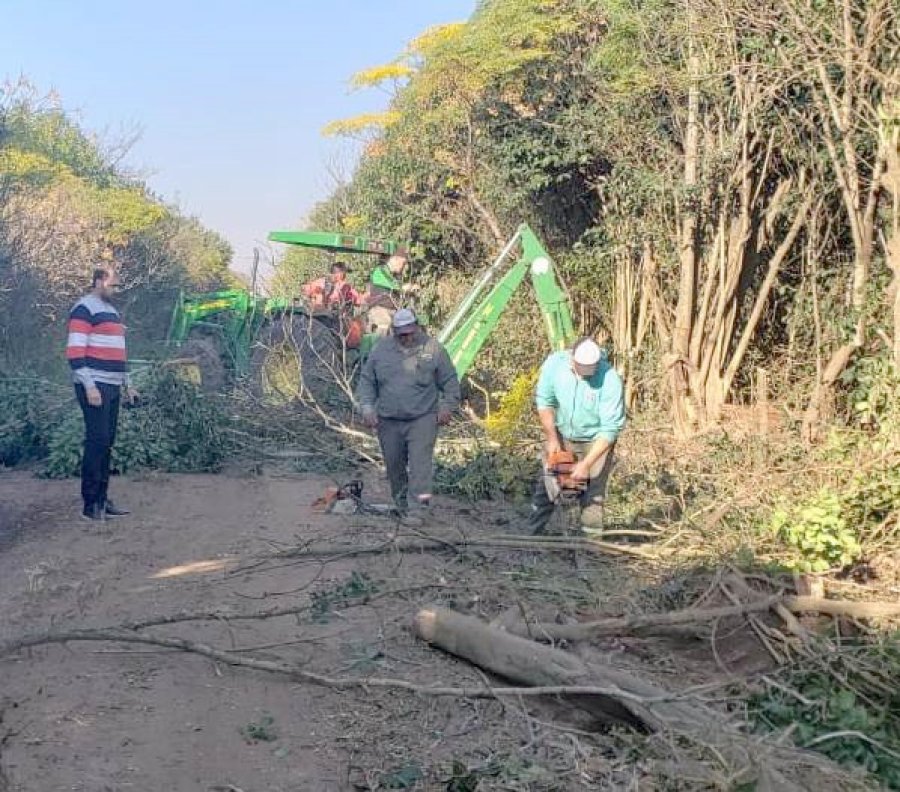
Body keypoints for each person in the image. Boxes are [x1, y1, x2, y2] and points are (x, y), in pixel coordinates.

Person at [356, 308, 460, 519]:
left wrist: (447, 406)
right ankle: (402, 505)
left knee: (420, 466)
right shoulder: (380, 350)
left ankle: (418, 509)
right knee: (394, 466)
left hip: (423, 418)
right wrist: (367, 407)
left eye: (410, 332)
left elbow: (450, 381)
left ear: (417, 327)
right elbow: (367, 381)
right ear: (394, 331)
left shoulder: (434, 349)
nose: (407, 337)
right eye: (401, 333)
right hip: (388, 421)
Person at [527, 338, 626, 536]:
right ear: (572, 359)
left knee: (592, 492)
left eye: (591, 369)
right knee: (549, 485)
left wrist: (586, 464)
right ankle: (533, 533)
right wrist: (552, 438)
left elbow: (609, 429)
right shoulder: (555, 365)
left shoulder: (610, 379)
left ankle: (591, 539)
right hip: (563, 434)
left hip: (595, 440)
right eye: (581, 368)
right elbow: (545, 401)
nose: (586, 373)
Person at [66, 268, 139, 521]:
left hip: (113, 384)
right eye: (113, 284)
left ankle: (103, 499)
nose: (116, 289)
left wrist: (128, 383)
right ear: (99, 281)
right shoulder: (84, 308)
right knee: (97, 441)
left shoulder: (112, 312)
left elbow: (119, 352)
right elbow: (75, 352)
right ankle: (90, 504)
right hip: (95, 385)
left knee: (107, 442)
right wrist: (89, 386)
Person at [363, 250, 411, 335]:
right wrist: (403, 288)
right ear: (395, 259)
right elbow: (391, 285)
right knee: (385, 325)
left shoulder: (392, 275)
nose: (403, 267)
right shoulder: (380, 271)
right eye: (403, 263)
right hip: (380, 310)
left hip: (392, 311)